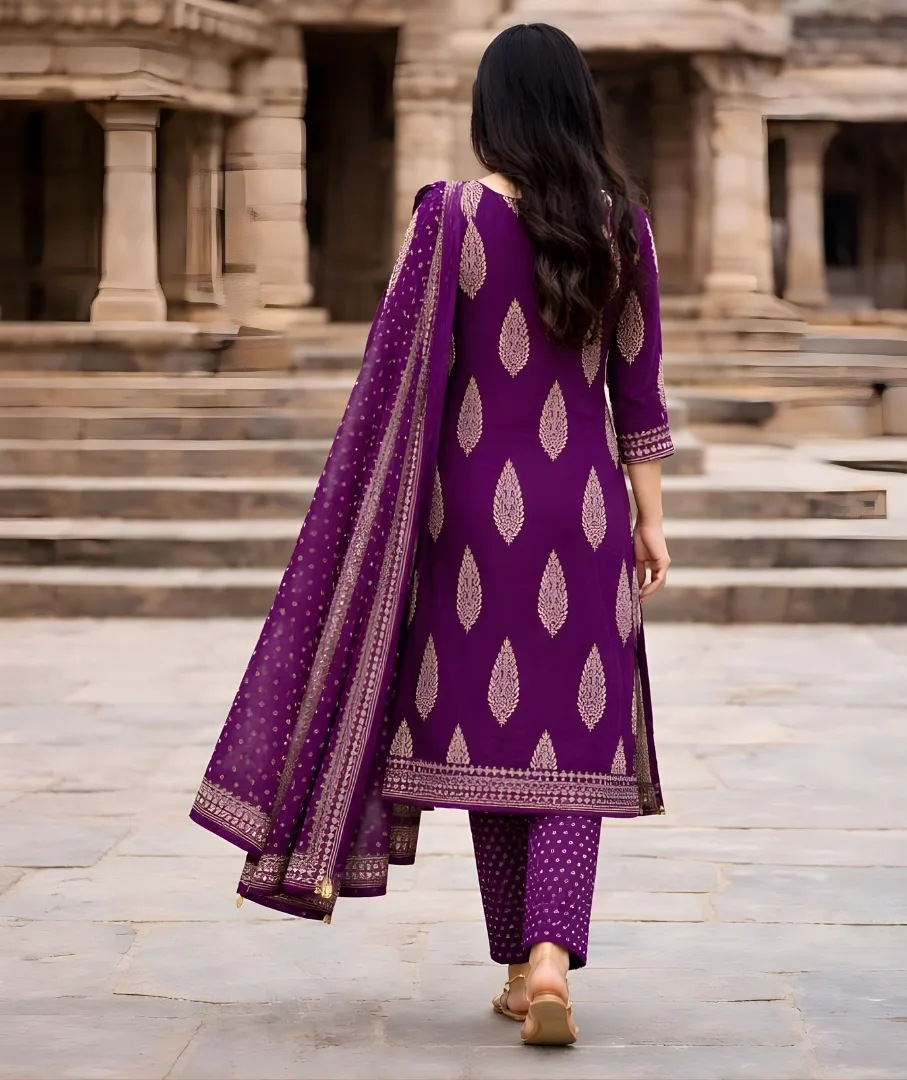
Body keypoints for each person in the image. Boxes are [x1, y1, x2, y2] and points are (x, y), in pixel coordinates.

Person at [190, 22, 671, 1049]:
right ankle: (542, 959)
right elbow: (639, 388)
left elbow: (397, 376)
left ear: (490, 110)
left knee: (499, 734)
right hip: (582, 512)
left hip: (469, 515)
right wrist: (651, 518)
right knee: (573, 732)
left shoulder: (447, 218)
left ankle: (523, 963)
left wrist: (375, 512)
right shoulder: (621, 226)